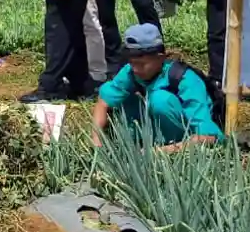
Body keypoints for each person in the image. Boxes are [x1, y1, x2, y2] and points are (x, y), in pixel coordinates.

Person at [91, 23, 225, 152]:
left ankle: (168, 144)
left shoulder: (186, 80)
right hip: (147, 140)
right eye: (132, 63)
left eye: (142, 64)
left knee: (160, 100)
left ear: (160, 58)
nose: (136, 69)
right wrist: (97, 143)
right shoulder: (129, 72)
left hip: (182, 143)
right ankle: (134, 142)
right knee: (125, 97)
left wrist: (162, 151)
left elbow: (208, 137)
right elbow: (103, 102)